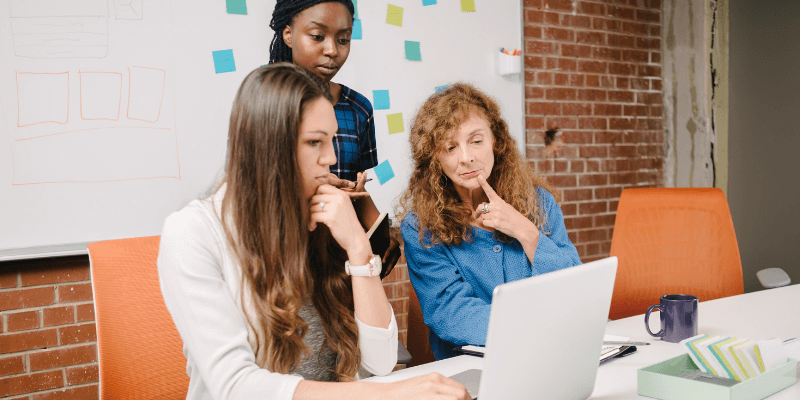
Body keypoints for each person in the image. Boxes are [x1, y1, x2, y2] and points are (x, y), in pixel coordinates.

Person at [158, 63, 468, 400]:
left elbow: (380, 361)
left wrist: (358, 247)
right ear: (267, 146)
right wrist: (388, 394)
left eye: (331, 140)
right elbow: (236, 386)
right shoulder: (193, 232)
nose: (331, 157)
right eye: (314, 142)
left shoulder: (323, 215)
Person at [397, 83, 582, 360]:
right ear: (435, 157)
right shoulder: (420, 227)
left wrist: (526, 232)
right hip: (474, 366)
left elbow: (574, 289)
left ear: (496, 140)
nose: (467, 157)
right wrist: (533, 328)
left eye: (476, 140)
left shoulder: (540, 203)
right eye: (450, 147)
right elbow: (450, 312)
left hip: (550, 355)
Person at [268, 0, 400, 278]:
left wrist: (380, 231)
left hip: (343, 262)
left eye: (343, 39)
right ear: (288, 33)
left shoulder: (358, 109)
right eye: (317, 36)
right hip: (282, 259)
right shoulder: (264, 105)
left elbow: (356, 188)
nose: (332, 51)